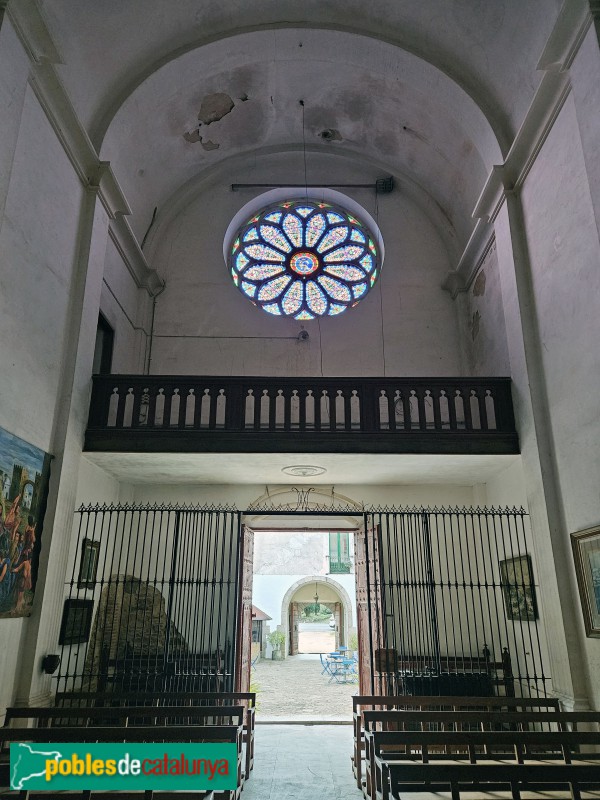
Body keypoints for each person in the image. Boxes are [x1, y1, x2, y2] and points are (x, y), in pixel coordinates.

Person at [0, 547, 17, 613]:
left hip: (6, 579)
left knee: (4, 592)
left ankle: (3, 608)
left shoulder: (6, 561)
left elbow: (3, 574)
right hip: (1, 578)